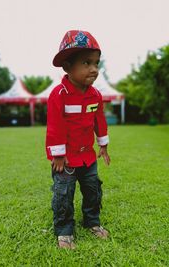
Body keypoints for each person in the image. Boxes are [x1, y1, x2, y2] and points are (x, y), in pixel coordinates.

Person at [46, 30, 111, 249]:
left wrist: (103, 144)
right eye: (86, 62)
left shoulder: (95, 95)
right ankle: (64, 230)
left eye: (96, 63)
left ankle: (92, 221)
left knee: (92, 190)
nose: (93, 69)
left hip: (88, 157)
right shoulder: (59, 94)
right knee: (64, 194)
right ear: (67, 66)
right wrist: (58, 155)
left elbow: (99, 120)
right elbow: (55, 126)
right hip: (65, 160)